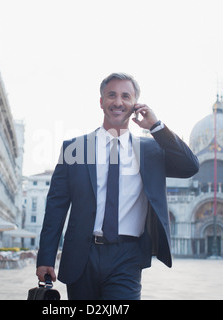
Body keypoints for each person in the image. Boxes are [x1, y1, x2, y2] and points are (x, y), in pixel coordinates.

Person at [36, 73, 199, 300]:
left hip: (128, 255)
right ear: (101, 101)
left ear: (135, 105)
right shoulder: (75, 149)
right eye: (111, 95)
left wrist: (156, 126)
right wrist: (45, 257)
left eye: (126, 96)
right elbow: (56, 207)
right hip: (82, 254)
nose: (118, 102)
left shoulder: (151, 151)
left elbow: (189, 166)